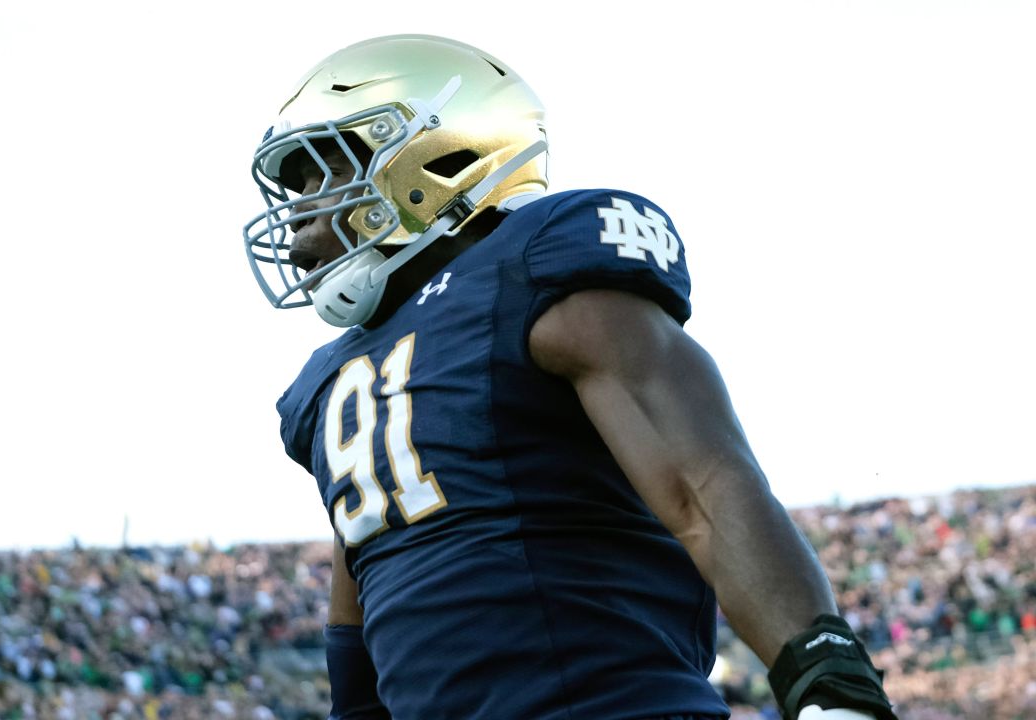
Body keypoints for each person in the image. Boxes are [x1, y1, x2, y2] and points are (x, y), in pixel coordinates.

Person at [242, 34, 896, 720]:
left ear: (429, 156)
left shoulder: (531, 268)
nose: (298, 219)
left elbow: (706, 486)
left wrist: (825, 676)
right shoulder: (333, 380)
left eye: (319, 173)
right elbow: (367, 603)